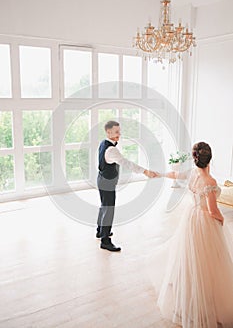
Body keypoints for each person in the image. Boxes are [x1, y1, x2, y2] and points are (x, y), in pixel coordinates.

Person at [155, 142, 233, 328]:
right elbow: (213, 211)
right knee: (208, 261)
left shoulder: (192, 174)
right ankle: (206, 301)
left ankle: (189, 297)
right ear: (210, 159)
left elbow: (176, 175)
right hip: (204, 221)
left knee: (192, 259)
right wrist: (222, 222)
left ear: (194, 158)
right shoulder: (210, 182)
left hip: (191, 217)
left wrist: (162, 173)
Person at [97, 120, 157, 252]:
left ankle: (100, 231)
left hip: (101, 179)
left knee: (104, 206)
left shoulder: (103, 143)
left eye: (119, 131)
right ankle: (105, 240)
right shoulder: (111, 149)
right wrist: (145, 171)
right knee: (109, 209)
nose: (119, 134)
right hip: (107, 182)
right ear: (108, 132)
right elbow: (127, 163)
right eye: (116, 131)